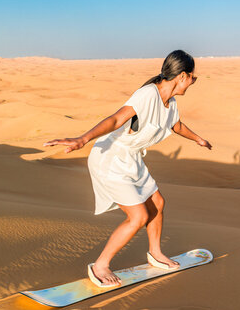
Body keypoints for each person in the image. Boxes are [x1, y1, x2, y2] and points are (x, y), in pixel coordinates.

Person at [43, 50, 212, 287]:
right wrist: (82, 139)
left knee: (158, 203)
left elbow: (176, 125)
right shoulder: (147, 95)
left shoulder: (170, 102)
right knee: (138, 216)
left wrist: (197, 139)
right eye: (194, 78)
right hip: (110, 159)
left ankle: (155, 253)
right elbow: (115, 119)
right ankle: (100, 265)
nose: (194, 82)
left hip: (131, 159)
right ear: (182, 76)